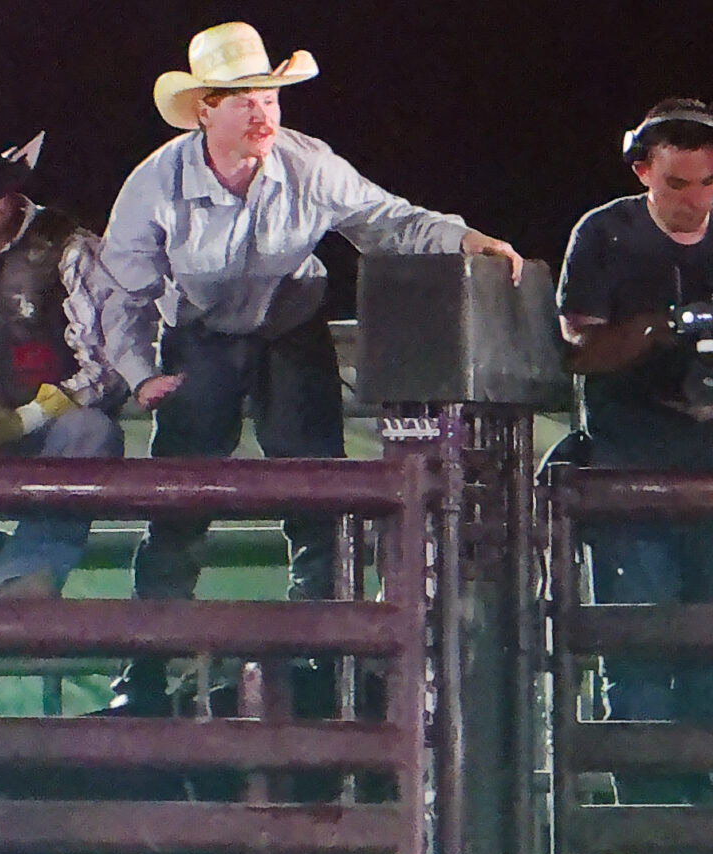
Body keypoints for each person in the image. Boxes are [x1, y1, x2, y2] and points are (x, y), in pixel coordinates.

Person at [95, 23, 523, 642]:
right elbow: (123, 292)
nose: (261, 113)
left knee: (318, 488)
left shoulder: (307, 163)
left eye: (269, 98)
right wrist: (139, 374)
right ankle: (151, 653)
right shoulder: (155, 184)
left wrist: (464, 238)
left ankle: (323, 648)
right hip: (199, 334)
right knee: (178, 495)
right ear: (205, 111)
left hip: (290, 328)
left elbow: (386, 221)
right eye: (243, 100)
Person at [559, 100, 713, 854]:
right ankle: (647, 832)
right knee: (636, 652)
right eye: (677, 181)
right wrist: (648, 334)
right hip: (629, 471)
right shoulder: (603, 235)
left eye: (707, 180)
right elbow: (575, 351)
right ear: (642, 172)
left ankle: (698, 826)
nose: (694, 196)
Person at [0, 132, 124, 601]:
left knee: (91, 431)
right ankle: (10, 571)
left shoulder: (71, 247)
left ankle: (28, 577)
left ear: (11, 192)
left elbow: (107, 367)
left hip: (49, 431)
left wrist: (25, 418)